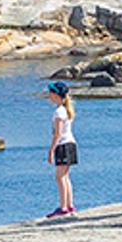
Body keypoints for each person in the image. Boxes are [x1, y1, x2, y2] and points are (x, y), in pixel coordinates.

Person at [39, 80, 79, 218]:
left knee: (60, 176)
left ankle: (63, 207)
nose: (49, 96)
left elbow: (58, 134)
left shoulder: (59, 112)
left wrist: (51, 150)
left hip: (63, 145)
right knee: (65, 176)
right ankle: (69, 205)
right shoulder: (66, 110)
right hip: (71, 144)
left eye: (51, 93)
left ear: (56, 95)